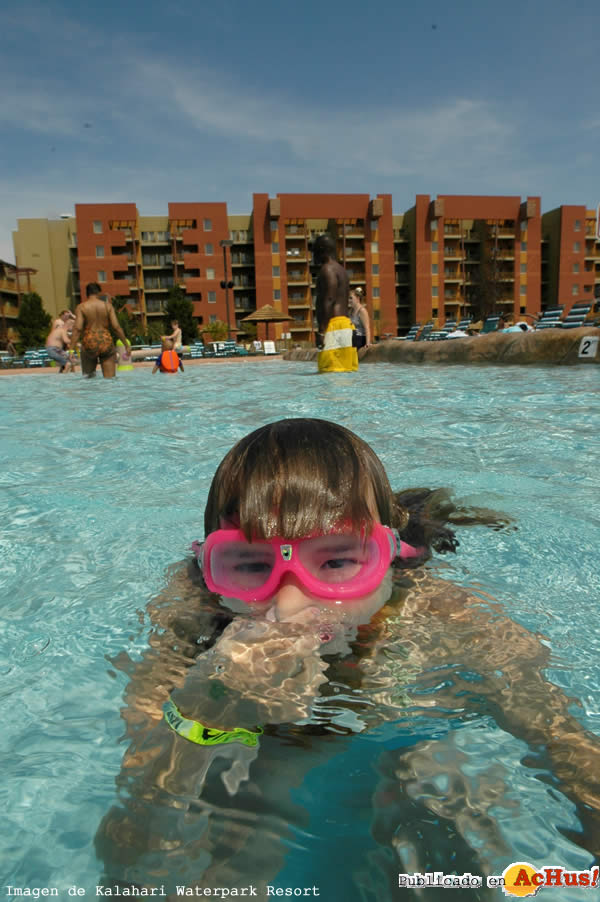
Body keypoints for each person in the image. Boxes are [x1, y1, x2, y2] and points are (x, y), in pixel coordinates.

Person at [96, 419, 600, 894]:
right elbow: (131, 858)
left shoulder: (444, 618)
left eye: (337, 560)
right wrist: (209, 708)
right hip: (259, 727)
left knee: (446, 823)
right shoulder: (192, 623)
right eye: (250, 564)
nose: (290, 603)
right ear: (213, 568)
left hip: (395, 707)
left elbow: (564, 742)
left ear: (388, 561)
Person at [313, 233, 357, 372]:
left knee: (329, 374)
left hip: (333, 326)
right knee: (346, 373)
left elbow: (329, 299)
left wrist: (321, 332)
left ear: (321, 249)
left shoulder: (327, 269)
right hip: (346, 325)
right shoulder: (341, 270)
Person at [70, 283, 131, 378]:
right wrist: (126, 345)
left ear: (87, 294)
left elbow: (77, 329)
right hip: (106, 342)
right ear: (98, 293)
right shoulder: (108, 306)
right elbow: (116, 327)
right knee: (110, 380)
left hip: (89, 342)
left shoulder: (81, 307)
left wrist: (71, 350)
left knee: (89, 380)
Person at [45, 309, 76, 373]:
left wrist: (72, 315)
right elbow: (53, 332)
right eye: (65, 316)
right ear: (61, 315)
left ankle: (68, 372)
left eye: (68, 316)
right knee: (68, 362)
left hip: (61, 345)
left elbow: (78, 321)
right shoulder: (58, 322)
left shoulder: (66, 325)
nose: (66, 317)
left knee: (70, 360)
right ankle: (65, 372)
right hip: (55, 346)